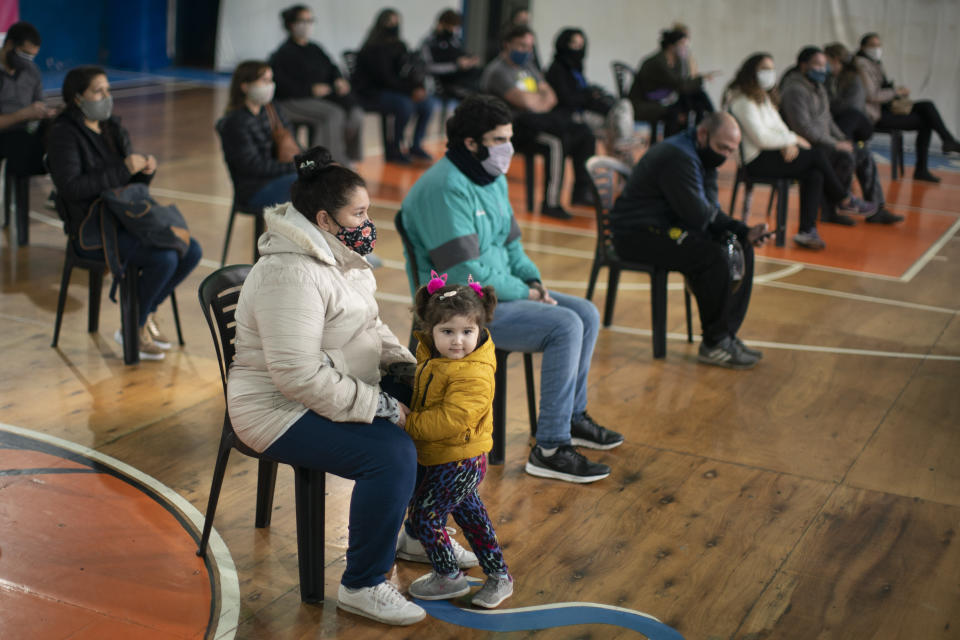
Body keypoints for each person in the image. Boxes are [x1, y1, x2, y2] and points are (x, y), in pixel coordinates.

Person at [226, 146, 425, 626]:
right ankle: (363, 583)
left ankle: (412, 529)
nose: (367, 222)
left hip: (330, 385)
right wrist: (379, 404)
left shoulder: (341, 256)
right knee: (390, 453)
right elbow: (295, 375)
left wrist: (406, 370)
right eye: (359, 214)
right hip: (274, 409)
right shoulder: (290, 273)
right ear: (324, 218)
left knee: (434, 405)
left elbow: (371, 327)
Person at [401, 95, 623, 483]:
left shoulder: (491, 177)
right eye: (499, 139)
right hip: (460, 310)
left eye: (509, 137)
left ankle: (570, 416)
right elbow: (464, 271)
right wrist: (525, 291)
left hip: (497, 295)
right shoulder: (444, 188)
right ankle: (551, 448)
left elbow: (512, 244)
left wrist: (533, 280)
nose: (508, 148)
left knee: (585, 312)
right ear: (471, 143)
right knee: (565, 325)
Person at [46, 66, 202, 360]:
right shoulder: (63, 133)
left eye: (108, 89)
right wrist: (122, 169)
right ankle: (133, 326)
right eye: (98, 91)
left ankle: (142, 315)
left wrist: (143, 172)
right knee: (164, 257)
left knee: (191, 249)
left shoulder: (112, 126)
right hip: (93, 230)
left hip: (125, 218)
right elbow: (71, 188)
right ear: (78, 98)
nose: (107, 96)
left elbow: (130, 188)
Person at [609, 113, 766, 369]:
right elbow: (699, 216)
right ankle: (714, 343)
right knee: (711, 257)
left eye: (731, 150)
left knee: (738, 244)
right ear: (703, 134)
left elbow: (710, 211)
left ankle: (726, 335)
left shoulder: (704, 157)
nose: (725, 155)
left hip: (666, 227)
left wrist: (743, 232)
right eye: (722, 148)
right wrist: (737, 226)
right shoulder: (678, 157)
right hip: (636, 234)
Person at [398, 276, 514, 608]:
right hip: (448, 456)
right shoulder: (436, 358)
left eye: (467, 332)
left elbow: (450, 420)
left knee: (425, 518)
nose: (458, 341)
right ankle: (499, 575)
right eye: (447, 332)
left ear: (479, 331)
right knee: (472, 517)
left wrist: (407, 420)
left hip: (459, 459)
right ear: (431, 330)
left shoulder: (473, 373)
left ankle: (449, 576)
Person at [725, 53, 876, 250]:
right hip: (756, 160)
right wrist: (793, 139)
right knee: (817, 155)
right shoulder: (742, 101)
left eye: (772, 68)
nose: (770, 73)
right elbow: (761, 138)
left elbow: (780, 129)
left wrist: (788, 143)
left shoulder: (764, 99)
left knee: (814, 173)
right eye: (765, 69)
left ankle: (807, 231)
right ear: (751, 72)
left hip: (774, 152)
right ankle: (843, 198)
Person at [480, 25, 596, 219]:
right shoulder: (498, 71)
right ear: (507, 45)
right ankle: (551, 203)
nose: (526, 51)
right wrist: (536, 100)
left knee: (584, 134)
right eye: (521, 46)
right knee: (555, 143)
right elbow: (524, 101)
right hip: (509, 130)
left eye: (529, 47)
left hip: (534, 122)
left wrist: (536, 101)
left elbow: (551, 97)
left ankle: (581, 193)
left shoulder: (528, 67)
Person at [780, 47, 901, 225]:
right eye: (817, 65)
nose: (822, 69)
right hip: (807, 144)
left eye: (824, 65)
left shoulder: (818, 87)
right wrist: (835, 145)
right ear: (803, 65)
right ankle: (833, 209)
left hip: (824, 141)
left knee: (862, 152)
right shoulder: (795, 90)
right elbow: (804, 128)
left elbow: (828, 120)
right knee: (844, 157)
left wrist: (842, 139)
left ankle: (877, 209)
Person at [854, 33, 960, 183]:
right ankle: (927, 163)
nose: (877, 49)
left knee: (927, 106)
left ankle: (947, 141)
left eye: (879, 45)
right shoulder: (860, 64)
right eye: (873, 45)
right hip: (875, 114)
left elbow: (881, 88)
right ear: (863, 47)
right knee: (926, 122)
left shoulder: (875, 63)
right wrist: (895, 92)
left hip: (886, 108)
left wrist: (896, 92)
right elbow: (872, 95)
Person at [269, 5, 364, 165]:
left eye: (310, 20)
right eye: (303, 21)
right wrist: (310, 89)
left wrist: (338, 80)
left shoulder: (315, 49)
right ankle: (325, 163)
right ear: (291, 24)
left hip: (320, 99)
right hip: (293, 100)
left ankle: (349, 156)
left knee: (356, 112)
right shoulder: (283, 53)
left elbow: (332, 68)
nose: (307, 25)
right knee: (333, 114)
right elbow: (282, 85)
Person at [352, 8, 439, 164]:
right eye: (389, 21)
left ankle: (416, 144)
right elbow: (384, 78)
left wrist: (417, 87)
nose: (393, 25)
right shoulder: (372, 48)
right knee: (404, 105)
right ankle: (394, 149)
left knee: (428, 103)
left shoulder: (400, 46)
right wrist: (409, 91)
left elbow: (408, 70)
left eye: (396, 21)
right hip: (373, 92)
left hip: (396, 90)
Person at [217, 61, 299, 213]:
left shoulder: (272, 110)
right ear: (245, 86)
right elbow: (254, 167)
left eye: (271, 80)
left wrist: (310, 162)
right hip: (254, 189)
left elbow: (293, 145)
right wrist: (294, 167)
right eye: (264, 81)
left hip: (278, 177)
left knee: (320, 176)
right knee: (306, 187)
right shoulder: (234, 122)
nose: (270, 85)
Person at [629, 28, 718, 139]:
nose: (686, 48)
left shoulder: (675, 61)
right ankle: (710, 124)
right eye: (682, 44)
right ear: (671, 46)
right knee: (680, 110)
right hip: (644, 104)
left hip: (661, 100)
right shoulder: (658, 62)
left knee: (696, 100)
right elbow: (681, 85)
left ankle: (704, 129)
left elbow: (682, 83)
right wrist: (701, 78)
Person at [0, 22, 55, 180]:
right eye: (24, 54)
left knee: (67, 131)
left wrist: (45, 112)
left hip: (28, 131)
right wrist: (22, 115)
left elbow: (39, 103)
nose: (28, 60)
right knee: (20, 144)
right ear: (9, 44)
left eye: (32, 56)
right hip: (6, 135)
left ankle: (64, 192)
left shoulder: (32, 71)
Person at [420, 9, 481, 108]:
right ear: (441, 24)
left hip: (465, 79)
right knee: (473, 99)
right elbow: (429, 67)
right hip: (445, 83)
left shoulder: (454, 41)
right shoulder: (429, 43)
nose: (452, 30)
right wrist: (456, 66)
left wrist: (470, 60)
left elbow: (464, 54)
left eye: (455, 27)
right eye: (450, 27)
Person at [823, 43, 874, 143]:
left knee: (848, 121)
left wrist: (828, 107)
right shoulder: (827, 78)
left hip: (856, 121)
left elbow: (853, 107)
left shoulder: (854, 79)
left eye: (826, 60)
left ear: (835, 60)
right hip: (837, 119)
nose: (823, 64)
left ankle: (844, 151)